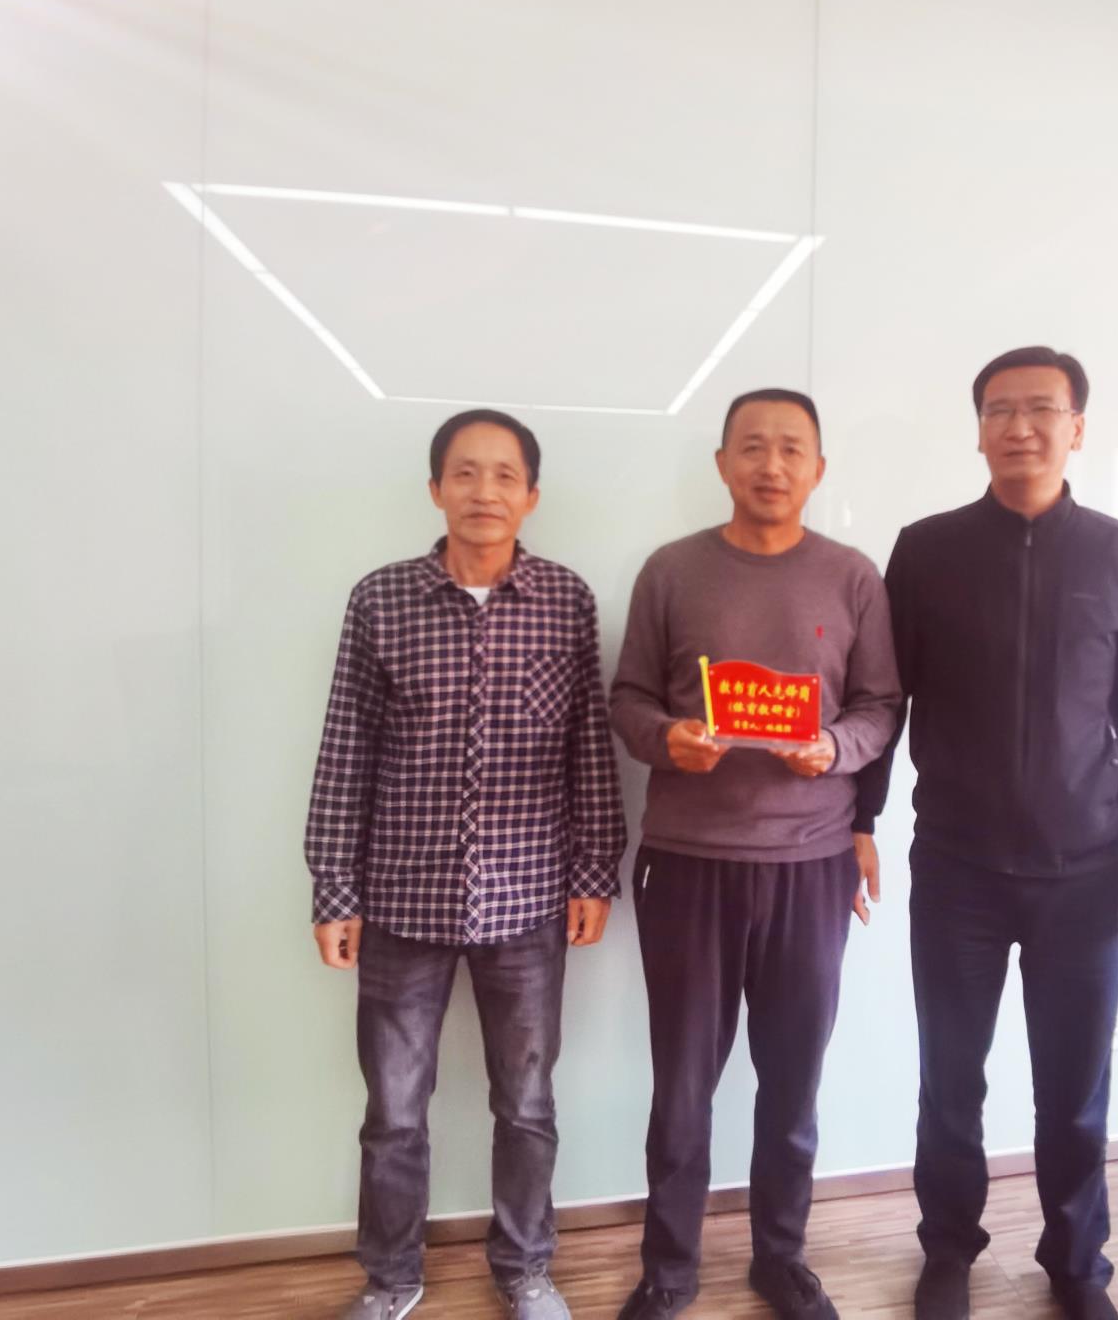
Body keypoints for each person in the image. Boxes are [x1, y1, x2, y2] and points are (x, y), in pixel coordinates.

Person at [853, 347, 1118, 1320]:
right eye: (1000, 410)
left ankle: (1077, 1266)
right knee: (950, 1080)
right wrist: (860, 817)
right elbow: (884, 700)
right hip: (956, 869)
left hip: (1083, 873)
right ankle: (947, 1252)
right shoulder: (927, 551)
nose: (1020, 427)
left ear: (1077, 427)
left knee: (1074, 1088)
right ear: (978, 431)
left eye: (1042, 408)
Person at [304, 410, 627, 1320]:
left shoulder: (565, 600)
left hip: (528, 900)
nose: (485, 492)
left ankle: (525, 1270)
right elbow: (346, 747)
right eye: (465, 473)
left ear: (532, 495)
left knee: (526, 1104)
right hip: (400, 899)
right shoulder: (381, 600)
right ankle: (390, 1278)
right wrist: (333, 887)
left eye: (504, 475)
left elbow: (589, 748)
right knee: (394, 1110)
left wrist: (594, 871)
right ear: (436, 488)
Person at [607, 389, 902, 1320]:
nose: (771, 465)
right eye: (752, 447)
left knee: (793, 1080)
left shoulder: (852, 577)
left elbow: (881, 707)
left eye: (791, 449)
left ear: (818, 468)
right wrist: (667, 740)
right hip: (688, 863)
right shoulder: (672, 571)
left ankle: (781, 1257)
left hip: (811, 866)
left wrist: (836, 749)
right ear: (723, 463)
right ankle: (669, 1268)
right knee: (682, 1085)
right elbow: (627, 699)